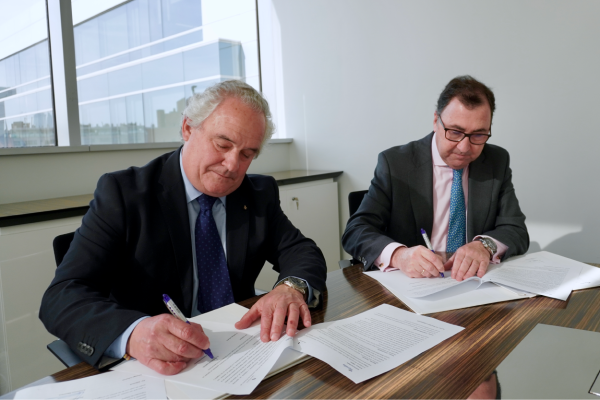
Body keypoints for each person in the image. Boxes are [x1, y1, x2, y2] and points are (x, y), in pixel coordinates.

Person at [40, 80, 327, 375]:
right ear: (188, 128)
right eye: (223, 145)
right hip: (157, 365)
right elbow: (61, 297)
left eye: (247, 154)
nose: (232, 165)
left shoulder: (257, 194)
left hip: (241, 352)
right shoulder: (124, 195)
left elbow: (300, 250)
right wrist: (134, 333)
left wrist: (290, 288)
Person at [342, 75, 528, 281]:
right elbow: (356, 231)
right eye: (455, 132)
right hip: (413, 286)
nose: (464, 147)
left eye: (478, 135)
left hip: (473, 283)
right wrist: (399, 256)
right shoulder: (395, 164)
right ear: (435, 121)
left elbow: (516, 230)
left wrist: (485, 246)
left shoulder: (496, 161)